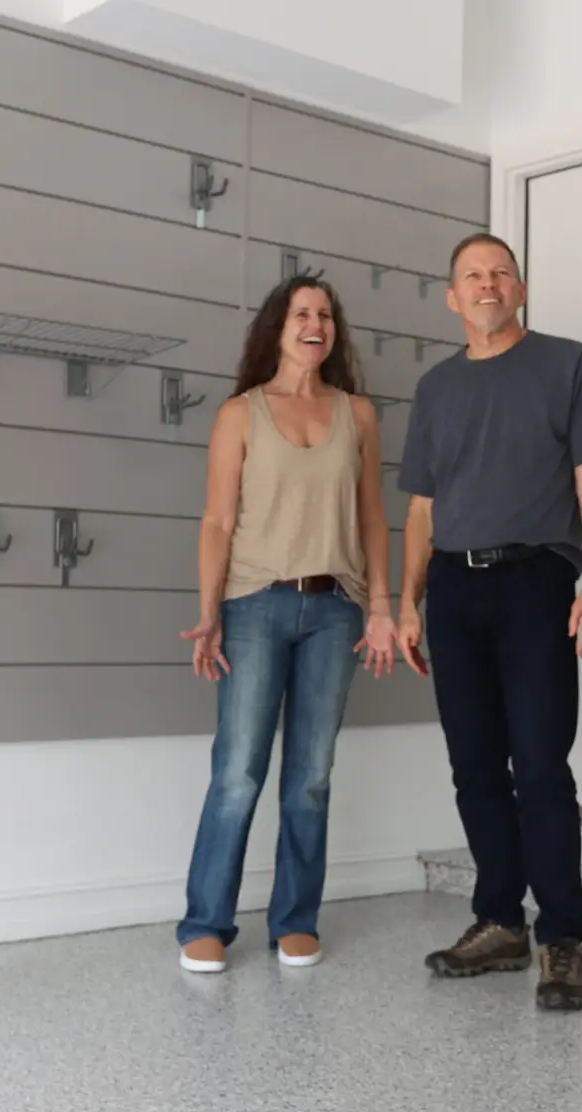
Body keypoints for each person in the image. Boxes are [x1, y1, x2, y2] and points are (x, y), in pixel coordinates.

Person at [396, 232, 582, 1013]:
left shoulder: (568, 364)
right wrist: (407, 602)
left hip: (537, 581)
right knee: (473, 768)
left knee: (540, 765)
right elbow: (422, 508)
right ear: (452, 299)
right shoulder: (435, 389)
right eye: (472, 275)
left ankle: (561, 938)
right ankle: (499, 922)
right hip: (453, 593)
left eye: (501, 273)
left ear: (519, 290)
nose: (488, 284)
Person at [175, 275, 397, 974]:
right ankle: (206, 922)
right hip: (254, 606)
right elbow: (216, 521)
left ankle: (296, 917)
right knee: (239, 772)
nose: (315, 325)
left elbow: (370, 518)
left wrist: (383, 607)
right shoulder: (241, 414)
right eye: (302, 313)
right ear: (278, 328)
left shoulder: (357, 413)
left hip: (335, 610)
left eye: (325, 315)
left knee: (311, 776)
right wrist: (209, 612)